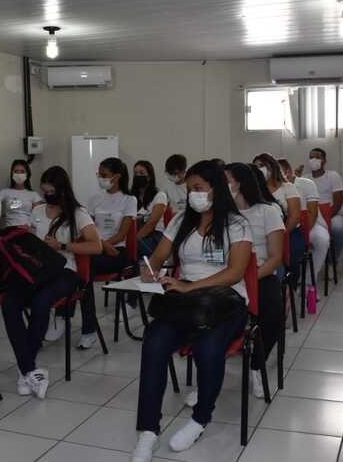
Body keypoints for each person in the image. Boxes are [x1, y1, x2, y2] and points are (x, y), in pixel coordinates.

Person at [131, 160, 253, 462]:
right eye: (189, 190)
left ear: (216, 188)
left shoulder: (237, 224)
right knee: (154, 340)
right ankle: (148, 430)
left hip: (227, 301)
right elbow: (158, 257)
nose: (193, 195)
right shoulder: (181, 220)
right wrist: (149, 271)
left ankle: (200, 419)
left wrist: (189, 287)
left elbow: (236, 272)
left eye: (198, 188)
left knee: (208, 346)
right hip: (188, 301)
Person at [2, 166, 102, 399]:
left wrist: (63, 246)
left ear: (62, 190)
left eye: (51, 192)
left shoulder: (77, 214)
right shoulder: (37, 211)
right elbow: (30, 238)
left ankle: (25, 366)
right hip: (37, 270)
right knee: (9, 302)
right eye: (44, 192)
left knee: (41, 301)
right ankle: (28, 368)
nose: (48, 196)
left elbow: (95, 246)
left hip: (65, 270)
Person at [225, 162, 284, 398]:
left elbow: (276, 257)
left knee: (273, 312)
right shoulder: (223, 214)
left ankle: (256, 367)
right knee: (211, 313)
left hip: (259, 274)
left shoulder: (267, 211)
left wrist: (249, 279)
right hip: (227, 276)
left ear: (239, 183)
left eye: (226, 180)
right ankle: (209, 374)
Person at [72, 157, 137, 349]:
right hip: (97, 247)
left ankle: (88, 329)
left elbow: (123, 233)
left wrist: (105, 245)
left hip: (117, 252)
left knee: (86, 267)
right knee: (75, 265)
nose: (100, 178)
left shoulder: (129, 199)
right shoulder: (94, 198)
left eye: (104, 175)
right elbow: (87, 229)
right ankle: (66, 316)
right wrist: (100, 244)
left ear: (116, 177)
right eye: (98, 175)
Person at [278, 158, 330, 286]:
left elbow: (312, 213)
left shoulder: (306, 183)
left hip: (312, 224)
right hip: (288, 225)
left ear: (288, 171)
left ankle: (308, 281)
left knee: (322, 241)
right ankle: (287, 282)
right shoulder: (274, 187)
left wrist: (303, 234)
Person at [253, 153, 302, 271]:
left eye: (262, 165)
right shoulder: (254, 190)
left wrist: (280, 235)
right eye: (256, 167)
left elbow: (294, 216)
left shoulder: (287, 187)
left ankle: (291, 285)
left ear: (272, 167)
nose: (260, 169)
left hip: (289, 232)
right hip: (261, 234)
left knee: (290, 258)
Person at [306, 148, 343, 266]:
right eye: (311, 157)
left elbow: (338, 203)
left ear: (324, 161)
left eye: (317, 157)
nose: (314, 160)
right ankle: (310, 264)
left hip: (333, 213)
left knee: (338, 229)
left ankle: (331, 262)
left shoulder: (333, 176)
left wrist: (325, 219)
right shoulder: (305, 179)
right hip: (312, 214)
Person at [132, 160, 168, 257]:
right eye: (135, 173)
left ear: (150, 176)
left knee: (133, 248)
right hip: (134, 234)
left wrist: (133, 241)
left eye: (141, 173)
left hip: (154, 235)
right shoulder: (131, 197)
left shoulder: (160, 195)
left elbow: (151, 223)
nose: (138, 175)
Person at [0, 159, 43, 228]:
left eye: (22, 172)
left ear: (27, 174)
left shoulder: (34, 195)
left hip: (26, 230)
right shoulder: (4, 192)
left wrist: (32, 226)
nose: (19, 174)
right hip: (9, 230)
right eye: (16, 171)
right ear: (12, 173)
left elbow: (39, 217)